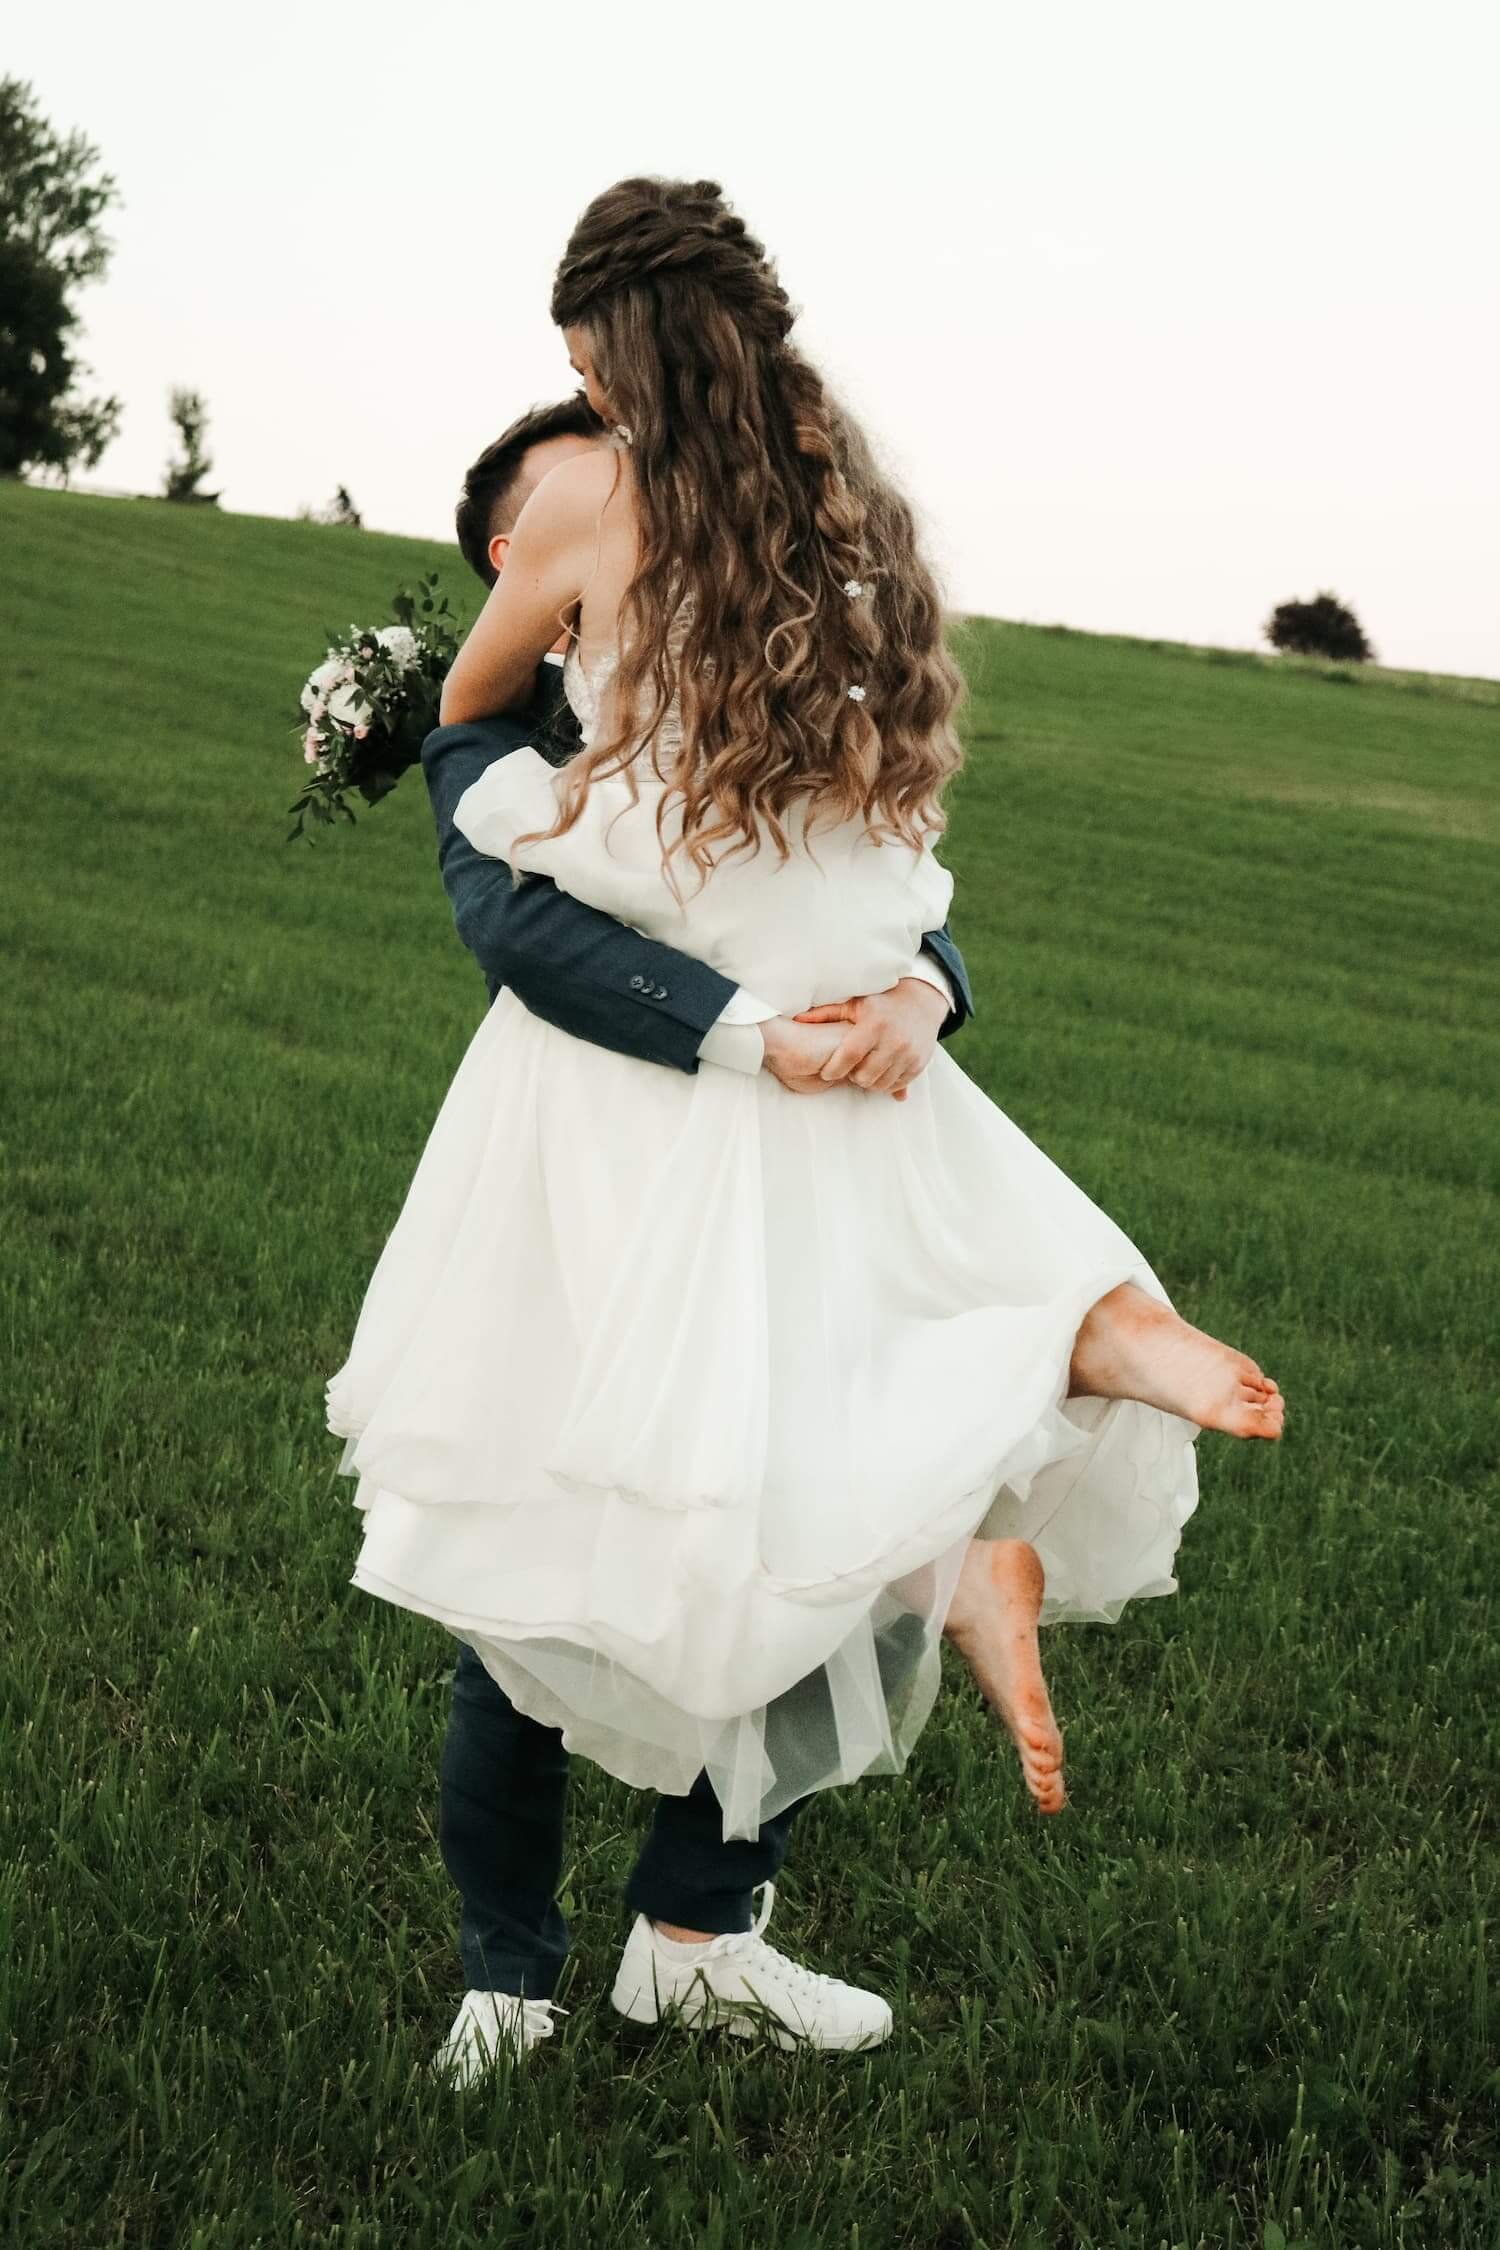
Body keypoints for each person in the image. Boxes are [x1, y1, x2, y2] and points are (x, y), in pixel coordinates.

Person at [327, 175, 1284, 2076]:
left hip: (720, 1088)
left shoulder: (611, 498)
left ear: (625, 346)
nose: (588, 398)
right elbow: (862, 826)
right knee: (645, 1532)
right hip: (688, 1075)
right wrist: (890, 979)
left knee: (683, 1526)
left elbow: (472, 713)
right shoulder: (855, 508)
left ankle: (668, 1947)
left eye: (591, 364)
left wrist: (547, 807)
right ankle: (537, 1964)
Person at [417, 394, 975, 2082]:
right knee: (533, 1567)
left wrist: (926, 990)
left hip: (792, 1178)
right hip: (587, 1178)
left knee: (821, 1532)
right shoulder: (497, 748)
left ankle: (698, 1936)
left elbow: (877, 866)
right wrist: (753, 1033)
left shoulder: (754, 658)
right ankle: (507, 1974)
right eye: (574, 501)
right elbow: (529, 944)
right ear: (520, 560)